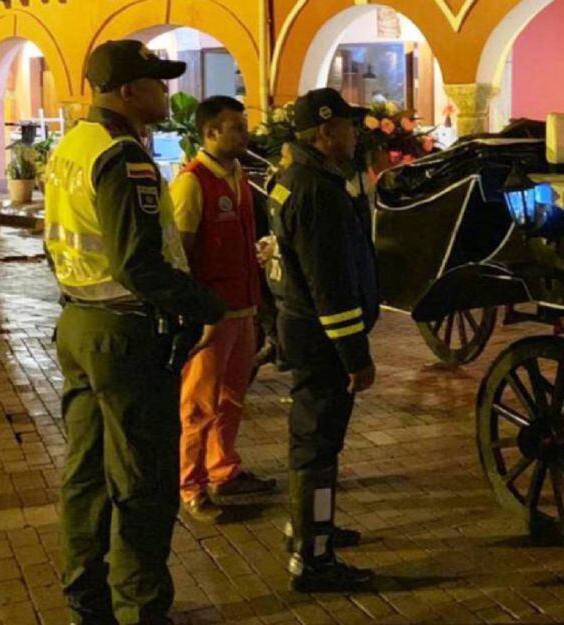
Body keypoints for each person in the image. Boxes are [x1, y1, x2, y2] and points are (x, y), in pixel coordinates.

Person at [44, 40, 225, 624]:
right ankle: (141, 608)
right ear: (128, 92)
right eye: (157, 81)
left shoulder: (71, 145)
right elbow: (138, 264)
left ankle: (87, 600)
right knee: (143, 482)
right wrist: (205, 304)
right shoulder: (124, 157)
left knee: (86, 474)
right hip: (123, 334)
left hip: (78, 321)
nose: (166, 91)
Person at [267, 88, 379, 592]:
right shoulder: (318, 192)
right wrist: (356, 356)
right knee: (318, 449)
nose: (356, 134)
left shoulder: (295, 180)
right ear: (326, 132)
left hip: (301, 330)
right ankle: (313, 559)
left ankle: (309, 527)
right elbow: (330, 288)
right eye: (350, 127)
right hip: (321, 340)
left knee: (312, 443)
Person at [169, 95, 275, 524]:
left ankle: (223, 467)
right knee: (198, 403)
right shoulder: (192, 183)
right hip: (212, 316)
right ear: (210, 132)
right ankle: (190, 484)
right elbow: (181, 254)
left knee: (232, 397)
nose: (245, 133)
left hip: (243, 308)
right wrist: (194, 312)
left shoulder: (238, 178)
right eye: (236, 127)